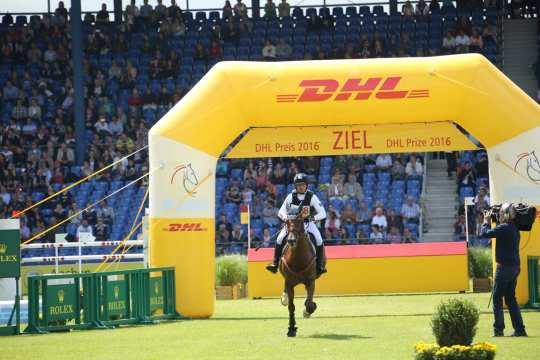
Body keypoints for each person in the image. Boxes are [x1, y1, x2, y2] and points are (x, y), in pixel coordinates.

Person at [478, 203, 527, 337]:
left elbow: (483, 234)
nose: (498, 216)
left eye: (500, 214)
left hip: (504, 268)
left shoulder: (504, 228)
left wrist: (485, 221)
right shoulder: (513, 228)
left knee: (497, 298)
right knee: (511, 299)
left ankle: (498, 330)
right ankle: (520, 329)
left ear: (506, 215)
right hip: (515, 267)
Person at [265, 173, 327, 276]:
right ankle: (275, 264)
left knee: (319, 239)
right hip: (292, 223)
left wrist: (312, 218)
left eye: (303, 184)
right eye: (298, 185)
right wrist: (286, 218)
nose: (301, 187)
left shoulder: (312, 197)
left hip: (307, 223)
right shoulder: (290, 197)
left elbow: (323, 213)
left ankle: (319, 266)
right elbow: (281, 211)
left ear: (306, 185)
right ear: (295, 186)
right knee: (279, 239)